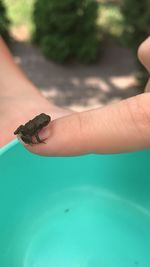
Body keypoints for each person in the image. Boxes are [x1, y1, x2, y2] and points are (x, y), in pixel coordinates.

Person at [0, 36, 150, 156]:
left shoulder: (37, 122)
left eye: (44, 119)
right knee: (28, 138)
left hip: (24, 119)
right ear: (41, 125)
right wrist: (36, 141)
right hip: (27, 130)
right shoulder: (36, 129)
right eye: (45, 122)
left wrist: (18, 99)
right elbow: (36, 136)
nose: (47, 122)